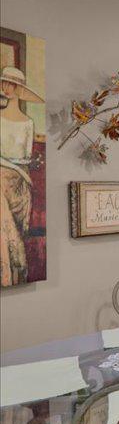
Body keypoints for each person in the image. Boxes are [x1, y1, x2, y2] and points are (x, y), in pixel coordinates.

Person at [0, 65, 44, 286]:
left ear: (19, 89)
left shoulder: (28, 123)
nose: (6, 88)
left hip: (20, 182)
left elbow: (26, 157)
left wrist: (19, 169)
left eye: (11, 84)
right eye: (4, 83)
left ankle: (16, 271)